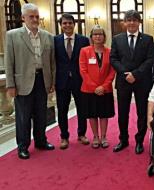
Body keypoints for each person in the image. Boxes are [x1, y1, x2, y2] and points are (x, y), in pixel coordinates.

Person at [4, 3, 55, 159]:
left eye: (37, 16)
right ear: (23, 18)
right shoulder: (12, 35)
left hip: (42, 80)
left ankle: (41, 141)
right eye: (31, 16)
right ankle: (23, 146)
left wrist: (52, 82)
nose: (35, 19)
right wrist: (10, 85)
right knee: (23, 116)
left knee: (41, 114)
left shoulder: (47, 36)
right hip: (22, 83)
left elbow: (52, 62)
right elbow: (9, 62)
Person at [110, 10, 154, 154]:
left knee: (142, 112)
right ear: (124, 22)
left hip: (142, 81)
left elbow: (150, 60)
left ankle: (139, 141)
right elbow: (113, 59)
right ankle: (123, 140)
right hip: (123, 81)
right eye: (128, 20)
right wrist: (125, 74)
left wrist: (135, 74)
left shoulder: (147, 39)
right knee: (123, 112)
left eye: (135, 20)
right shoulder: (117, 39)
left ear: (139, 22)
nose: (132, 23)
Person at [54, 13, 90, 150]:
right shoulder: (55, 40)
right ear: (61, 25)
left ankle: (82, 134)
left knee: (82, 109)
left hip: (79, 80)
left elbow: (87, 62)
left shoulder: (84, 40)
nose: (67, 25)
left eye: (70, 23)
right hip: (61, 81)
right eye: (64, 23)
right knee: (62, 109)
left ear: (74, 24)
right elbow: (53, 62)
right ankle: (64, 136)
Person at [79, 25, 115, 149]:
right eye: (95, 34)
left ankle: (104, 136)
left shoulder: (110, 51)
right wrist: (94, 87)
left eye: (100, 34)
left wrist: (103, 86)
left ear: (104, 37)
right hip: (89, 90)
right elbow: (83, 71)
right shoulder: (84, 51)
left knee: (104, 114)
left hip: (105, 90)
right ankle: (95, 136)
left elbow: (112, 71)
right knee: (92, 114)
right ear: (91, 37)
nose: (98, 36)